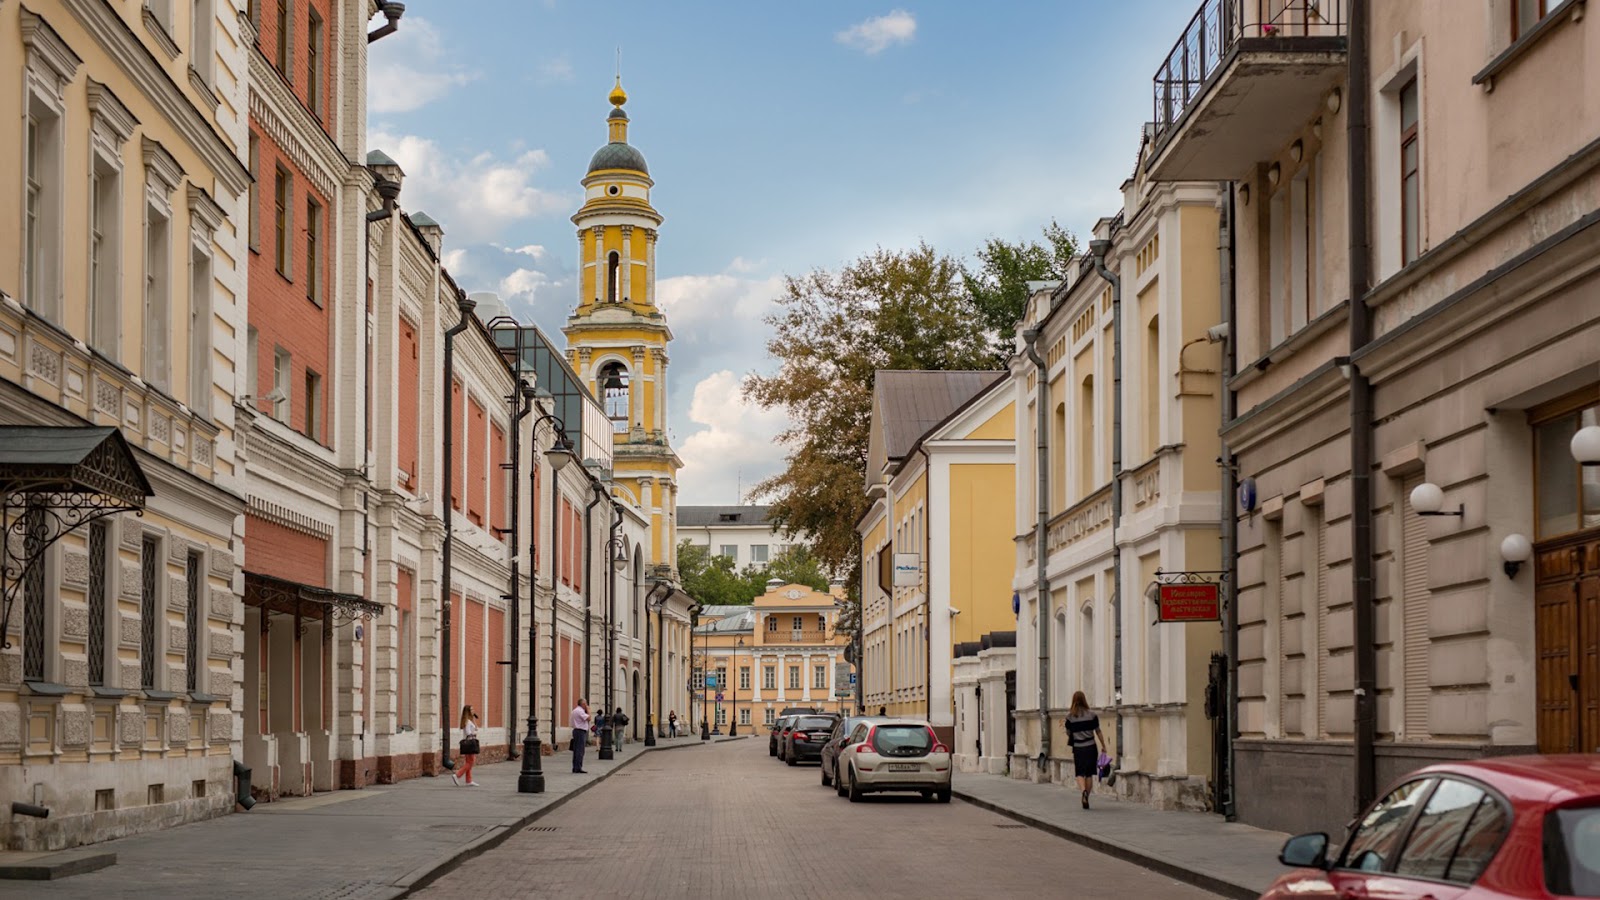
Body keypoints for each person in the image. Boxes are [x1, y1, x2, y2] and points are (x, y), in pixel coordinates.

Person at [1065, 691, 1107, 809]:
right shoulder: (1092, 715)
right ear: (1084, 700)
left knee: (1079, 773)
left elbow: (1069, 733)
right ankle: (1086, 796)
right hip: (1091, 747)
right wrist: (1103, 745)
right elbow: (1098, 731)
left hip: (1078, 748)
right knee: (1089, 774)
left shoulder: (1069, 717)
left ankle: (1083, 791)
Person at [453, 705, 480, 787]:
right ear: (468, 711)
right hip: (470, 743)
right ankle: (457, 774)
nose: (473, 711)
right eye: (471, 709)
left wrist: (474, 719)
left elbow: (476, 728)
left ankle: (469, 780)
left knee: (468, 762)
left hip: (468, 743)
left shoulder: (469, 720)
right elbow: (468, 732)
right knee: (471, 762)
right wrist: (473, 734)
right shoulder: (468, 722)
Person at [570, 698, 591, 773]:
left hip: (576, 730)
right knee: (580, 750)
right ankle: (578, 767)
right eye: (585, 704)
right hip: (580, 731)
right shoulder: (580, 711)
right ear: (583, 704)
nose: (586, 705)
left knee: (576, 750)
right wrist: (588, 710)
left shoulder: (575, 710)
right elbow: (589, 718)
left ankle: (575, 767)